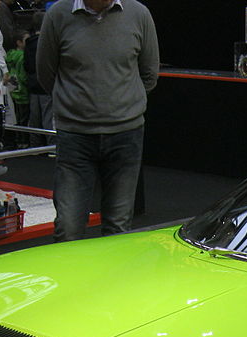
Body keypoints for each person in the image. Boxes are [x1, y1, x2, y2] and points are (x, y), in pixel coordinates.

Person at [37, 0, 159, 240]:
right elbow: (45, 73)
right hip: (75, 136)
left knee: (118, 228)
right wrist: (75, 104)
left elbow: (149, 74)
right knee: (68, 227)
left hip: (126, 134)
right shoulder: (58, 15)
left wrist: (123, 105)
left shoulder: (139, 14)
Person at [23, 12, 53, 147]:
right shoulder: (48, 41)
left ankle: (35, 146)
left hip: (32, 84)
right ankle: (51, 146)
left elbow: (27, 66)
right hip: (46, 84)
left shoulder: (28, 43)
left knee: (34, 117)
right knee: (48, 116)